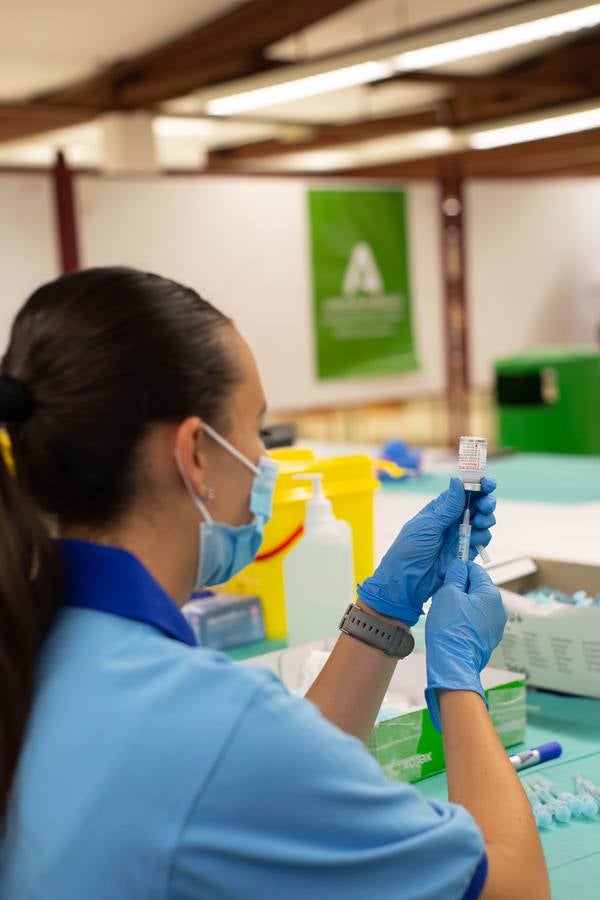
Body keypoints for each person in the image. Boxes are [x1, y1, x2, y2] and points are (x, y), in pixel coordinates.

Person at [0, 267, 549, 900]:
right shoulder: (208, 719)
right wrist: (458, 678)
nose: (264, 458)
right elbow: (515, 887)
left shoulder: (39, 638)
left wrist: (382, 612)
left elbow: (280, 775)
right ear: (196, 453)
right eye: (256, 426)